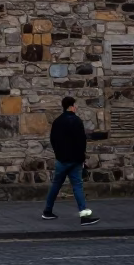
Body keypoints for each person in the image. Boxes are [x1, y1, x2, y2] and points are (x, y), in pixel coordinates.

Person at [43, 96, 99, 225]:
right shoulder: (76, 121)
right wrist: (82, 158)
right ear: (72, 106)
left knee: (56, 185)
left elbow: (53, 140)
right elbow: (81, 141)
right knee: (77, 187)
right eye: (75, 105)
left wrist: (58, 154)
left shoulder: (57, 121)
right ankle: (84, 216)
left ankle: (47, 211)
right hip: (75, 160)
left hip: (61, 160)